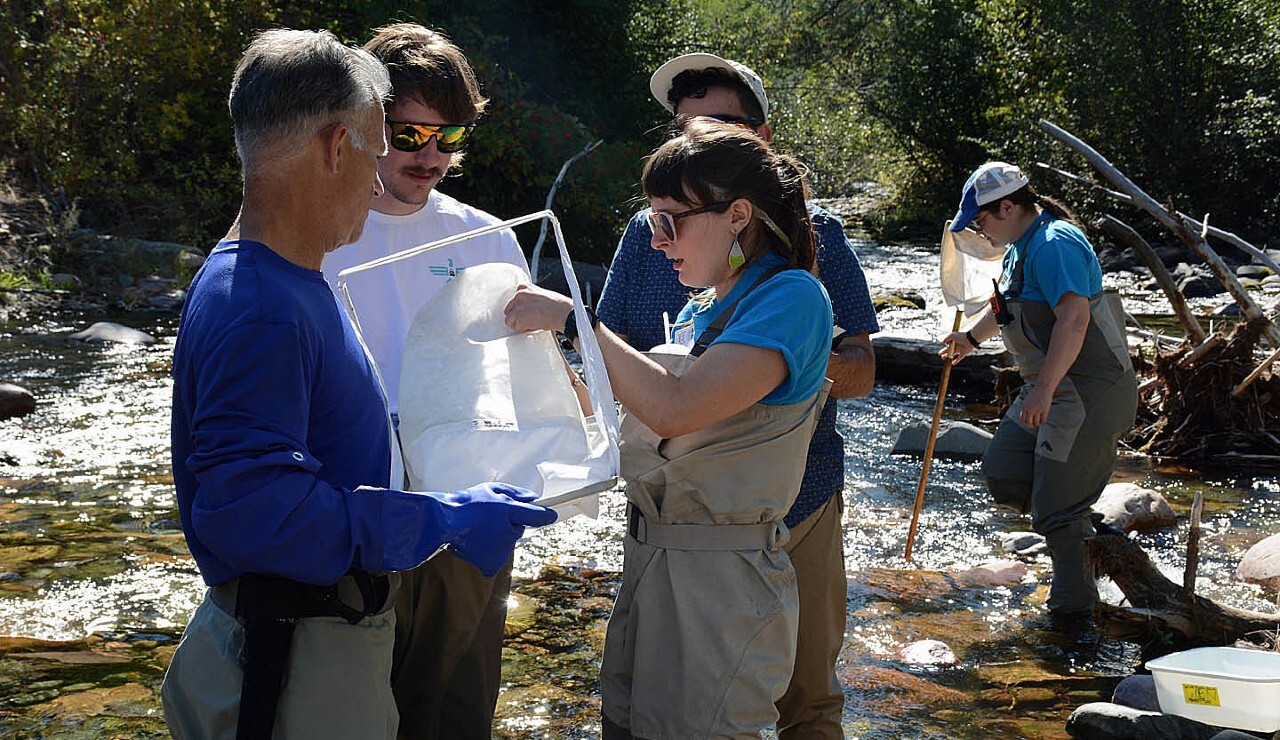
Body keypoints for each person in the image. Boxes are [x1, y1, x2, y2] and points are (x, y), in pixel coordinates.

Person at [162, 29, 556, 740]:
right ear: (337, 147)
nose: (387, 175)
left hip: (321, 631)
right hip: (303, 645)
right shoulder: (263, 307)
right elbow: (253, 514)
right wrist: (434, 520)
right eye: (383, 145)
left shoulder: (272, 278)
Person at [505, 118, 834, 740]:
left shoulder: (793, 298)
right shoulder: (700, 306)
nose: (658, 241)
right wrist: (545, 357)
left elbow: (677, 407)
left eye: (670, 221)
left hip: (721, 584)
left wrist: (577, 322)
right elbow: (625, 419)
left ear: (738, 215)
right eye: (653, 222)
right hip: (649, 562)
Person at [596, 52, 878, 738]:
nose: (696, 138)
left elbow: (863, 369)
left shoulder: (814, 249)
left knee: (805, 699)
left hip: (788, 504)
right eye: (684, 126)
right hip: (672, 523)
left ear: (762, 136)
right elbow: (618, 381)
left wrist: (775, 370)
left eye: (718, 123)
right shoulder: (650, 236)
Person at [317, 25, 532, 739]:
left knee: (452, 717)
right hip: (353, 519)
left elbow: (521, 384)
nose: (431, 155)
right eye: (408, 135)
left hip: (464, 519)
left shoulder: (490, 238)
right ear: (365, 122)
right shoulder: (313, 232)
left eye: (450, 137)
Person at [940, 161, 1137, 628]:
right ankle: (1080, 530)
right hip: (1051, 385)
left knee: (1056, 511)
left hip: (1087, 390)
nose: (979, 230)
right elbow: (1007, 308)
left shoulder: (1054, 244)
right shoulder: (1018, 247)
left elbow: (1073, 320)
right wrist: (969, 340)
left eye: (982, 220)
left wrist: (1044, 391)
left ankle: (1073, 618)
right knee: (1003, 472)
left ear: (1008, 206)